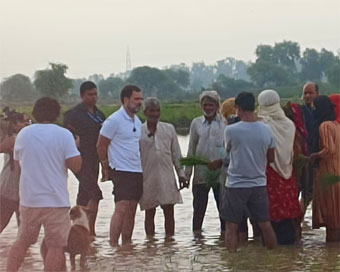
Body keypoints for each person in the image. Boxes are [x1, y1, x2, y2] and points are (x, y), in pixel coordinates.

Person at [6, 97, 82, 271]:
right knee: (56, 247)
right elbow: (76, 166)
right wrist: (76, 147)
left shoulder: (23, 134)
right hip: (56, 200)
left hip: (29, 199)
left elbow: (19, 167)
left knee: (22, 242)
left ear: (35, 113)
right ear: (56, 114)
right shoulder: (64, 134)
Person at [221, 92, 277, 252]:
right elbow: (271, 158)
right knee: (265, 224)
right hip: (259, 183)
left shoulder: (231, 130)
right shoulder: (267, 130)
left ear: (238, 108)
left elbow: (227, 150)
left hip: (235, 184)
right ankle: (275, 262)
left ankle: (232, 262)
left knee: (231, 226)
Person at [97, 85, 143, 247]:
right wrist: (105, 166)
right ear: (126, 100)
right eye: (136, 99)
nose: (140, 102)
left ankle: (127, 246)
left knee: (132, 208)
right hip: (121, 170)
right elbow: (101, 145)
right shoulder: (114, 120)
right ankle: (113, 245)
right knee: (122, 207)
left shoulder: (138, 121)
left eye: (141, 99)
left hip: (137, 170)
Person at [257, 90, 302, 244]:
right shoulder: (289, 124)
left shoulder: (261, 124)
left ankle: (272, 256)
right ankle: (287, 258)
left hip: (268, 173)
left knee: (269, 216)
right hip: (287, 173)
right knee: (287, 213)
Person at [139, 97, 187, 237]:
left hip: (167, 176)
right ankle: (150, 243)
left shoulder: (169, 129)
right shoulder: (138, 131)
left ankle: (170, 243)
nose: (154, 114)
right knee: (149, 213)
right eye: (151, 111)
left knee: (169, 212)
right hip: (147, 177)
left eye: (157, 110)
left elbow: (176, 154)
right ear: (145, 112)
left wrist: (181, 174)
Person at [64, 81, 105, 236]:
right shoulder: (73, 115)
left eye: (95, 94)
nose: (94, 97)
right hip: (80, 159)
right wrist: (75, 137)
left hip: (96, 159)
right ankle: (84, 230)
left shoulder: (99, 114)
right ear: (82, 96)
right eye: (90, 94)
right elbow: (66, 133)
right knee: (95, 193)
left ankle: (85, 230)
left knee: (85, 194)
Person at [185, 90, 226, 234]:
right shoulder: (196, 123)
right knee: (198, 210)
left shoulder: (224, 123)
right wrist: (187, 175)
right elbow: (191, 149)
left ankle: (224, 239)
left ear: (217, 105)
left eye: (211, 105)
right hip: (201, 175)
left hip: (220, 175)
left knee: (223, 210)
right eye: (205, 105)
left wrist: (221, 161)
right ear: (201, 105)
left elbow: (227, 147)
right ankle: (197, 240)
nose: (208, 108)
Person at [310, 95, 340, 242]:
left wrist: (314, 156)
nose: (312, 109)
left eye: (314, 107)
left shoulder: (325, 126)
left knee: (331, 217)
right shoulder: (335, 124)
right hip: (337, 170)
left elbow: (329, 149)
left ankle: (330, 254)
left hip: (328, 172)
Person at [0, 109, 30, 233]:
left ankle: (23, 252)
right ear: (15, 124)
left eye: (29, 121)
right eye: (24, 121)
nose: (28, 123)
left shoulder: (20, 138)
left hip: (22, 188)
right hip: (9, 188)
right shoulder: (12, 139)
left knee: (24, 227)